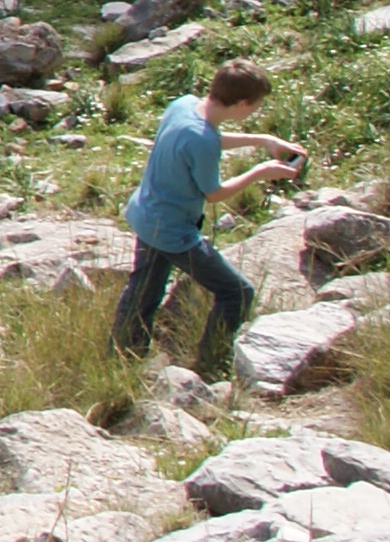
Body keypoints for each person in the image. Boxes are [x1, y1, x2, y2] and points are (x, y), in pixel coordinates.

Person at [114, 60, 305, 373]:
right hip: (173, 231)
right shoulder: (201, 140)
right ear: (243, 104)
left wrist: (262, 140)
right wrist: (259, 172)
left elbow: (207, 139)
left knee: (144, 291)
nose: (255, 110)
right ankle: (211, 362)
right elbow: (214, 193)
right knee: (237, 292)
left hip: (147, 214)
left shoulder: (185, 105)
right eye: (256, 105)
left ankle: (122, 357)